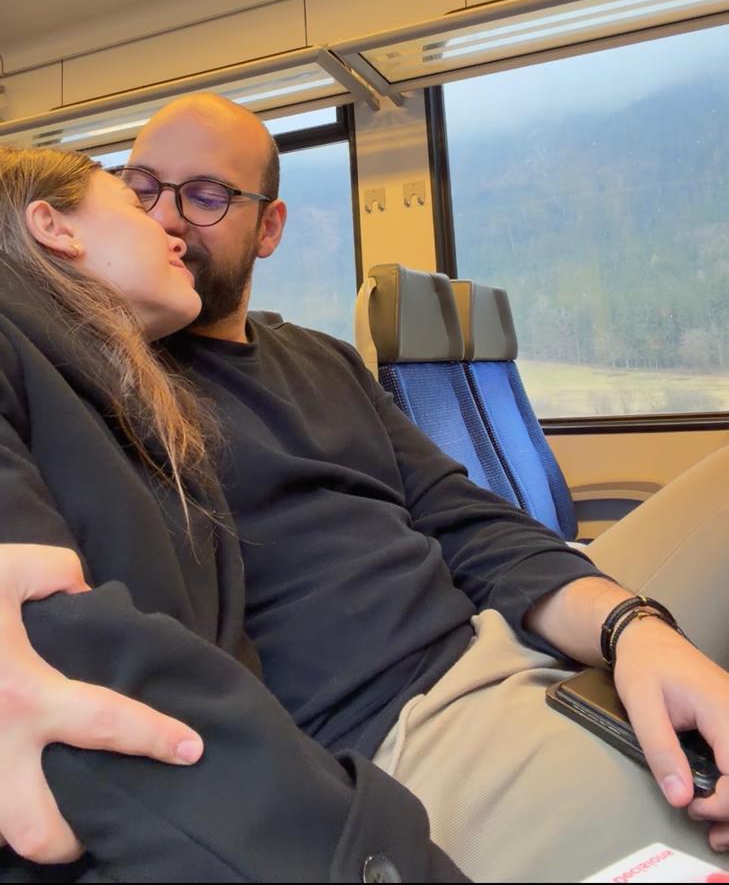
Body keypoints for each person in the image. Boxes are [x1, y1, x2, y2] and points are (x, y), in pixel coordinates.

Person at [4, 95, 729, 880]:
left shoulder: (326, 362)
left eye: (206, 196)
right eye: (141, 189)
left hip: (501, 638)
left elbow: (463, 520)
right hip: (411, 726)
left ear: (269, 227)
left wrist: (633, 627)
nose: (169, 219)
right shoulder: (112, 388)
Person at [0, 145, 463, 883]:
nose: (174, 231)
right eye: (133, 201)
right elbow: (76, 661)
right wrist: (383, 862)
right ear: (56, 229)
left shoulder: (147, 418)